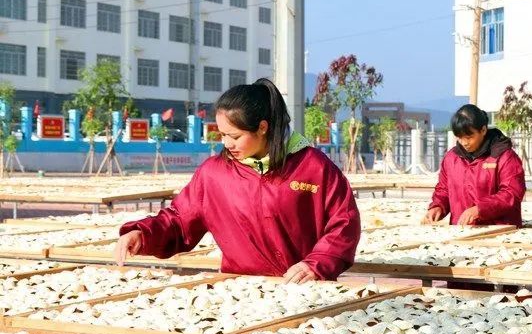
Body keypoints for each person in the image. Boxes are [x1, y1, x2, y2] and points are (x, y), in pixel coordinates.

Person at [115, 79, 361, 282]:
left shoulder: (312, 167)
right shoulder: (214, 174)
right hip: (240, 290)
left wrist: (316, 265)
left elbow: (344, 223)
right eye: (222, 134)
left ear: (262, 127)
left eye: (234, 136)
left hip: (303, 289)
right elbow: (180, 221)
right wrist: (143, 234)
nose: (226, 143)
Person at [423, 104, 526, 227]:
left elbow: (511, 193)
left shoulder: (504, 157)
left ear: (483, 130)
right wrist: (438, 206)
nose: (464, 143)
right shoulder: (451, 158)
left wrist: (480, 209)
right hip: (462, 230)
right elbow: (444, 189)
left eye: (469, 137)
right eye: (460, 137)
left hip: (499, 229)